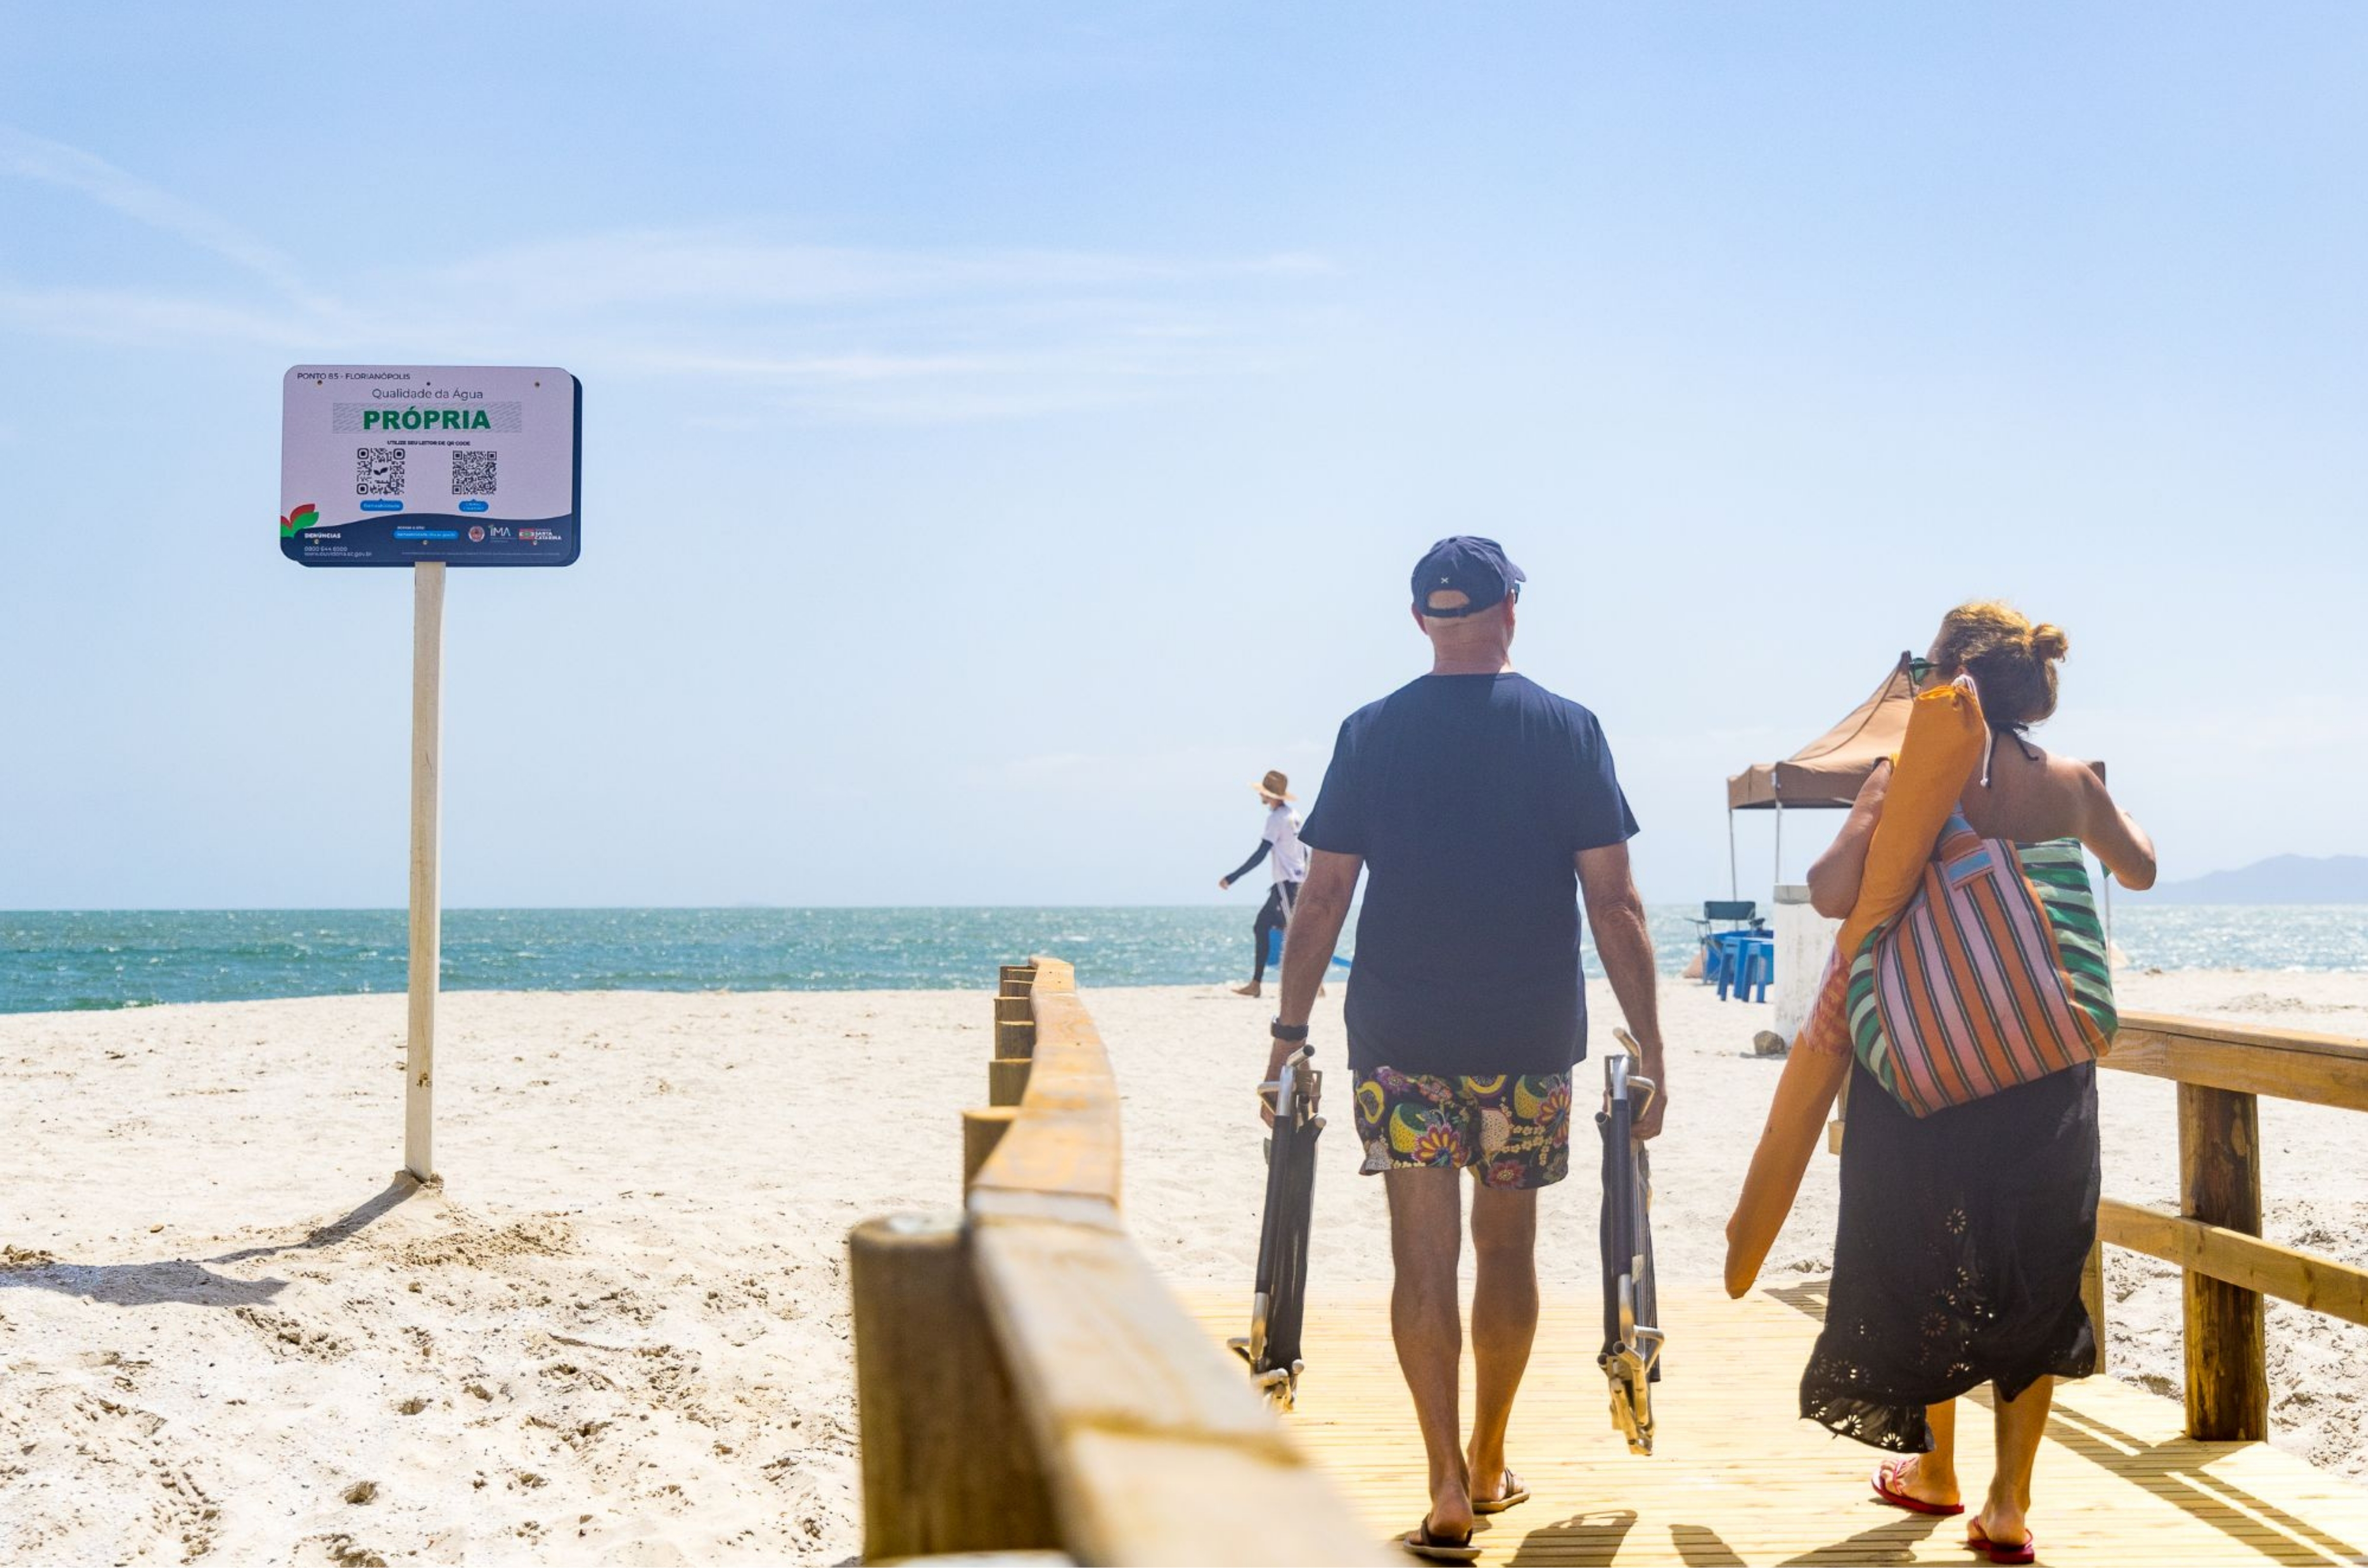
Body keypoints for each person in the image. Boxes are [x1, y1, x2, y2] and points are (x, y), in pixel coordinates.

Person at [1264, 536, 1667, 1564]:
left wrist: (1287, 1033)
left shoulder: (1368, 731)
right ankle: (1489, 1457)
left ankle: (1441, 1481)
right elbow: (1612, 900)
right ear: (1509, 613)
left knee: (1421, 1255)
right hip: (1525, 1037)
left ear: (1420, 620)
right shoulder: (1567, 729)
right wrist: (1649, 1038)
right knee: (1505, 1248)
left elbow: (1321, 893)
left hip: (1398, 1034)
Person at [1799, 603, 2156, 1566]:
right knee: (2034, 1273)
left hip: (1923, 1068)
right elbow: (2145, 868)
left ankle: (1933, 1471)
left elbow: (1833, 894)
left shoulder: (1905, 778)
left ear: (1948, 680)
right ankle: (2008, 1504)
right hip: (2041, 1066)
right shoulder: (2074, 783)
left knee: (1923, 1257)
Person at [1218, 770, 1309, 999]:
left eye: (1265, 794)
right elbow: (1304, 850)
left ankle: (1312, 984)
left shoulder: (1276, 819)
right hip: (1292, 882)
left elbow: (1261, 854)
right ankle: (1256, 984)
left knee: (1294, 934)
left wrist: (1233, 877)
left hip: (1287, 884)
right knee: (1262, 927)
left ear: (1272, 796)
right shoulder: (1294, 814)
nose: (1262, 797)